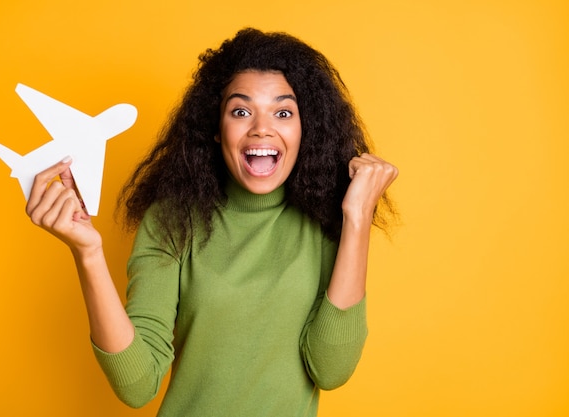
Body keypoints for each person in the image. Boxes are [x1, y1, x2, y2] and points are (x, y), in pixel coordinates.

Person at [25, 28, 398, 416]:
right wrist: (88, 253)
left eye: (283, 112)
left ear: (307, 130)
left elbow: (331, 369)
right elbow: (137, 385)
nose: (261, 128)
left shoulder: (325, 219)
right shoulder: (172, 220)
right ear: (217, 131)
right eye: (241, 111)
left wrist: (357, 219)